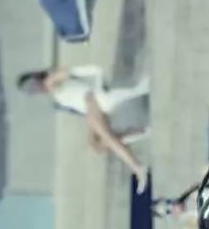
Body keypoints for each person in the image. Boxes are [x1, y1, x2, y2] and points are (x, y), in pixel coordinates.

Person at [17, 66, 151, 192]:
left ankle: (138, 167)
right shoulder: (54, 98)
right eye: (31, 91)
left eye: (32, 86)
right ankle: (139, 132)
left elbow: (72, 72)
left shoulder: (51, 78)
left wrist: (53, 80)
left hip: (91, 98)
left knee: (107, 136)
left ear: (35, 77)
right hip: (89, 109)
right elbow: (76, 104)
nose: (35, 90)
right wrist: (90, 125)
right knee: (96, 146)